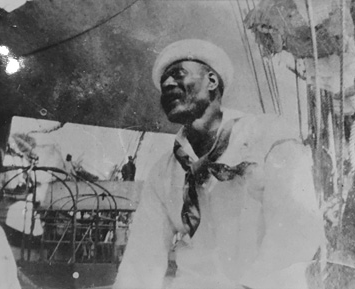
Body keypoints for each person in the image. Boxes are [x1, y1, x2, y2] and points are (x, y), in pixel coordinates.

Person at [113, 39, 324, 289]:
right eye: (163, 82)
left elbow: (295, 231)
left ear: (211, 81)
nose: (167, 85)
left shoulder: (269, 136)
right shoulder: (163, 171)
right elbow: (141, 260)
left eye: (177, 74)